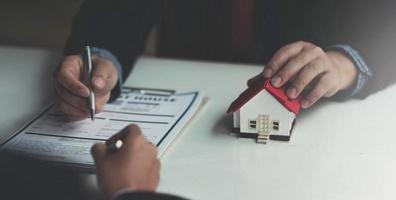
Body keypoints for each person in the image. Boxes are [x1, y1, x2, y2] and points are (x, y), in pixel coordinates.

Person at [52, 0, 396, 198]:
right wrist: (101, 54)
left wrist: (347, 62)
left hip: (321, 147)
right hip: (187, 121)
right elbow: (115, 11)